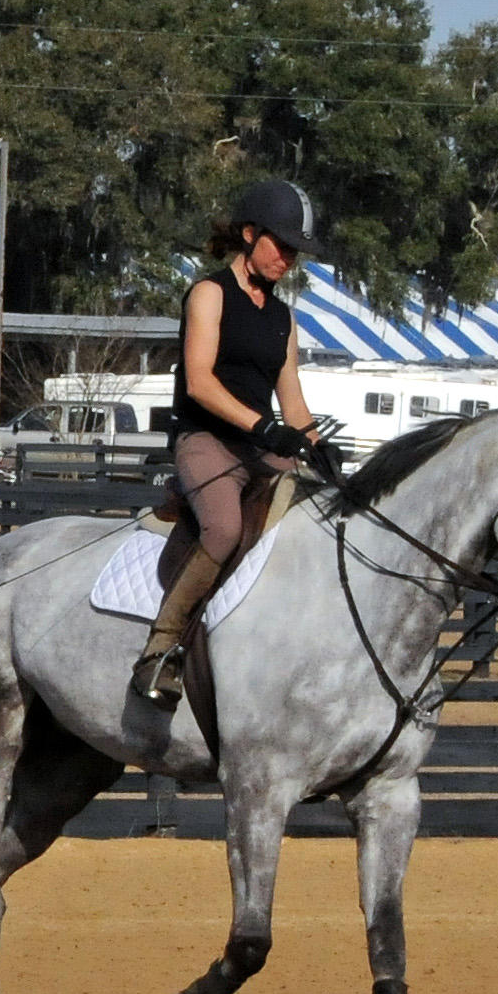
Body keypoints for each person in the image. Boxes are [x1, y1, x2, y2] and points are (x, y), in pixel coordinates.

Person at [133, 178, 331, 706]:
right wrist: (261, 426)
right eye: (281, 245)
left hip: (260, 448)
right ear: (250, 234)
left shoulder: (283, 318)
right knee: (223, 529)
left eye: (296, 251)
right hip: (207, 440)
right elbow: (198, 380)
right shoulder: (209, 293)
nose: (288, 258)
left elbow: (292, 400)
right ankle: (160, 648)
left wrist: (318, 446)